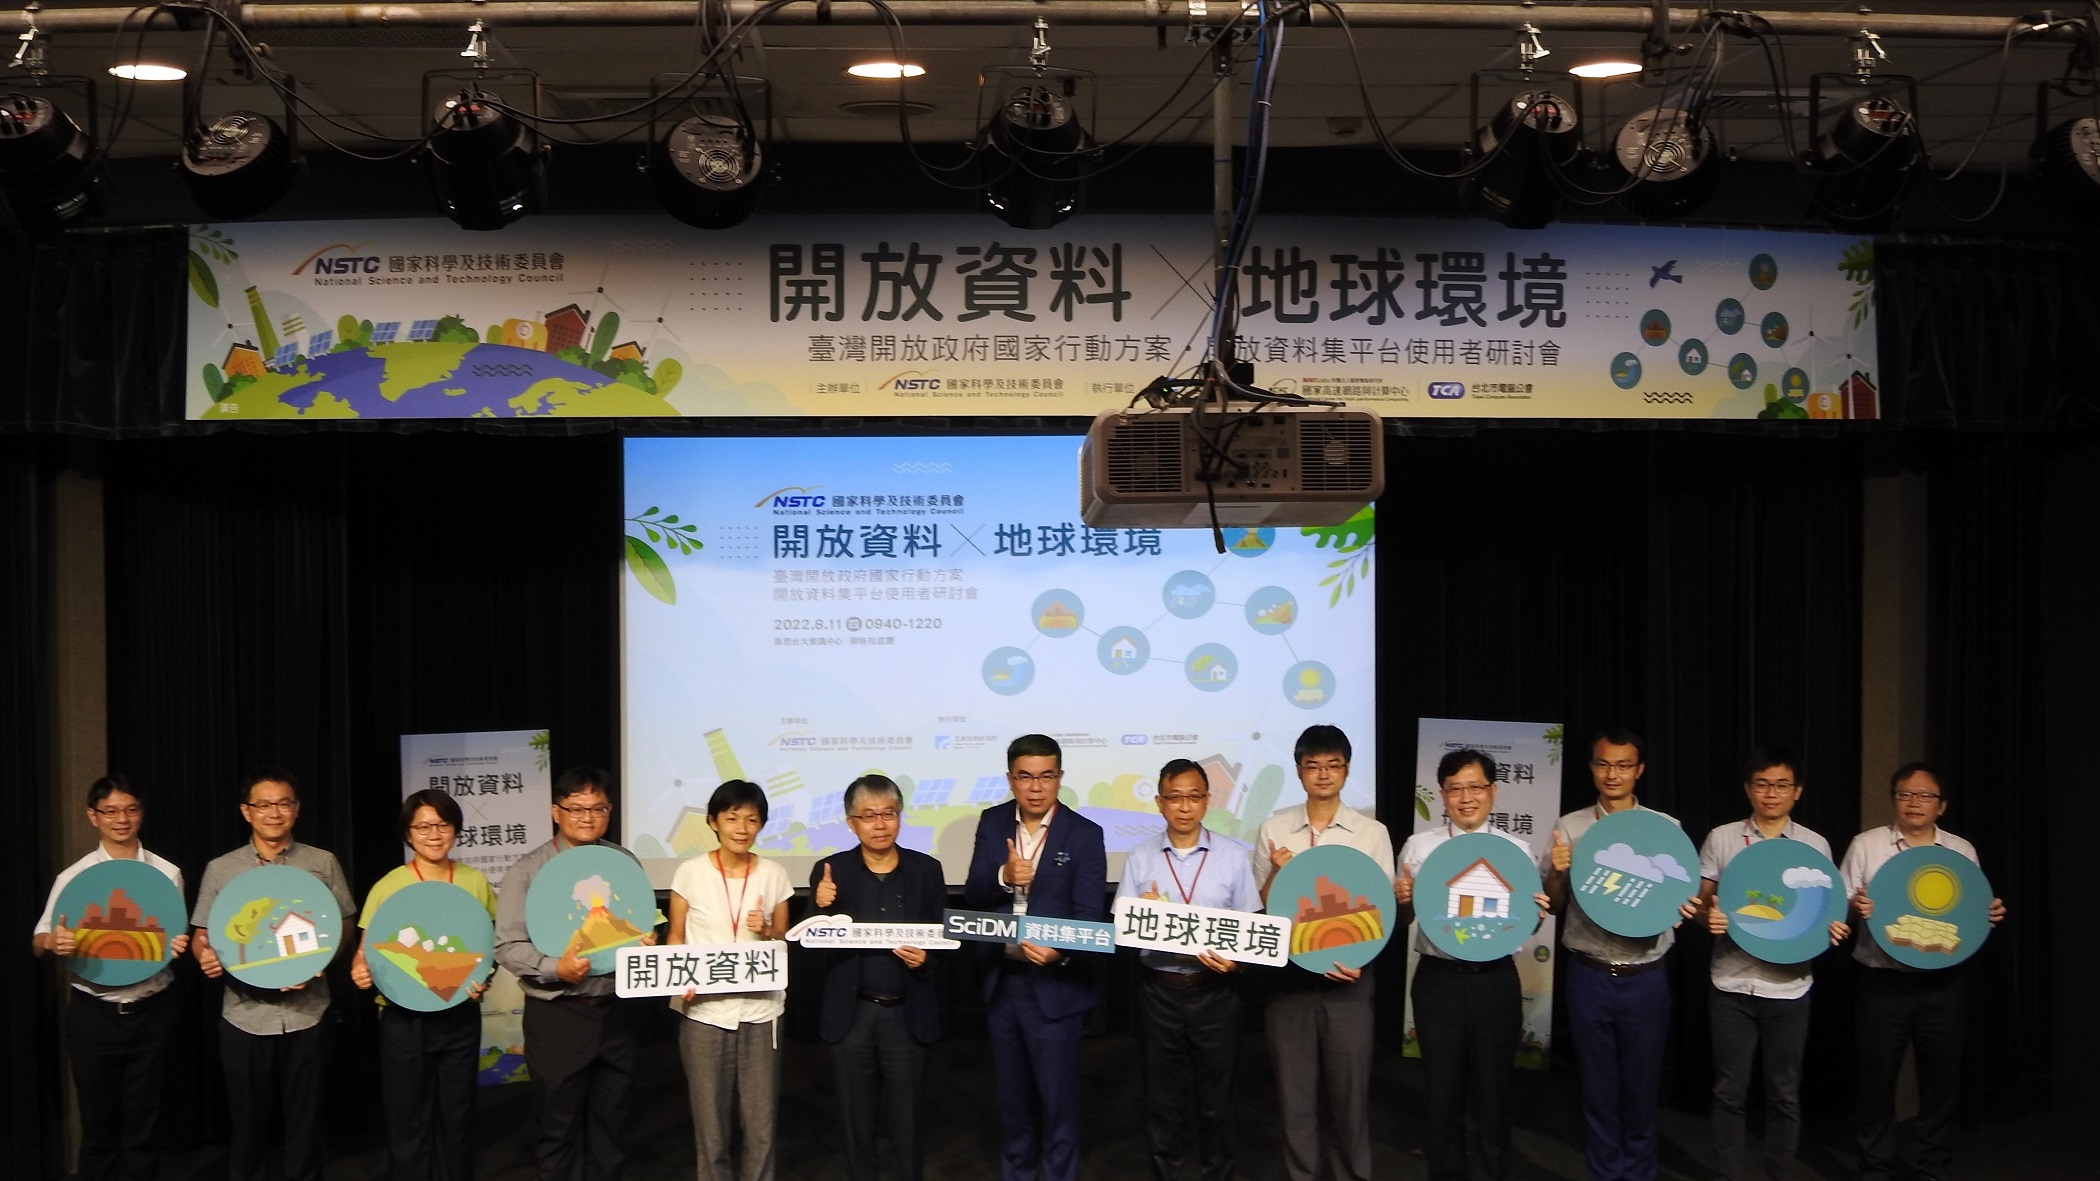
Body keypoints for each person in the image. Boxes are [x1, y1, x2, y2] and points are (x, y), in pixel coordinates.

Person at [1540, 728, 1698, 1181]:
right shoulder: (1569, 827)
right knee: (1597, 1091)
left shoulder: (1665, 829)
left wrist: (1685, 906)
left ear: (1639, 770)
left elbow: (1681, 900)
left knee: (1642, 1091)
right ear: (1591, 768)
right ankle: (1605, 1173)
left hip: (1646, 976)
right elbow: (1555, 903)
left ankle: (1642, 1173)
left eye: (1623, 765)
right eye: (1603, 764)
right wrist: (1555, 872)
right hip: (1589, 975)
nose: (1613, 774)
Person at [190, 766, 358, 1181]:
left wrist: (318, 962)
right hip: (244, 1016)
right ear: (246, 812)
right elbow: (201, 934)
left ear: (296, 810)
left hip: (308, 1013)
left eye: (284, 803)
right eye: (264, 805)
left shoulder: (322, 862)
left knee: (305, 1124)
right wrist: (203, 955)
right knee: (247, 1127)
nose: (274, 813)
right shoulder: (222, 869)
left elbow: (346, 926)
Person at [1839, 763, 2006, 1181]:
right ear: (1894, 799)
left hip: (1942, 985)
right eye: (1904, 794)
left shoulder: (1961, 852)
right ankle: (1875, 1166)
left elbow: (1968, 915)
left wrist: (1988, 914)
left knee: (1941, 1080)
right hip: (1881, 983)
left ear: (1942, 805)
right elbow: (1837, 908)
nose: (1913, 802)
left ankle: (1934, 1166)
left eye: (1924, 795)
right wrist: (1855, 910)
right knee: (1875, 1080)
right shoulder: (1866, 845)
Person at [1394, 750, 1550, 1181]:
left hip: (1495, 980)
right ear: (1442, 794)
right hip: (1438, 981)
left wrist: (1536, 912)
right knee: (1441, 1093)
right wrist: (1401, 901)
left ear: (1493, 791)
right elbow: (1404, 920)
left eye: (1476, 787)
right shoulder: (1419, 846)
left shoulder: (1515, 851)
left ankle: (1490, 1172)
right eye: (1455, 788)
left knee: (1494, 1092)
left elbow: (1526, 922)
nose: (1466, 798)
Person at [1693, 747, 1847, 1181]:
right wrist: (1708, 917)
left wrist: (1832, 929)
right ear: (1748, 789)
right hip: (1730, 983)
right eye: (1761, 784)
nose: (1770, 793)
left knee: (1784, 1094)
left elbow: (1825, 911)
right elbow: (1698, 904)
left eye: (1781, 785)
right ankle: (1728, 1174)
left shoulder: (1814, 844)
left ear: (1797, 792)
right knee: (1728, 1092)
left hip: (1790, 986)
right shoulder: (1722, 837)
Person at [495, 766, 654, 1181]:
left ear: (609, 811)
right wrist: (555, 968)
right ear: (556, 811)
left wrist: (645, 944)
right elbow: (507, 946)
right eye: (576, 808)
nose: (587, 817)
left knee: (612, 1124)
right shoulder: (529, 870)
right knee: (557, 1126)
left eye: (597, 808)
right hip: (558, 1015)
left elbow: (639, 923)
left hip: (615, 1011)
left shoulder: (623, 862)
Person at [1250, 724, 1394, 1181]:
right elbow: (1261, 908)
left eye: (1333, 765)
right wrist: (1276, 872)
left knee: (1350, 1101)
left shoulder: (1371, 832)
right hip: (1289, 985)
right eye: (1313, 765)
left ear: (1347, 771)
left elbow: (1381, 908)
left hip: (1348, 983)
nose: (1323, 774)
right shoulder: (1273, 829)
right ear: (1299, 771)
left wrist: (1360, 960)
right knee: (1295, 1103)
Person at [32, 774, 190, 1181]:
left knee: (147, 1118)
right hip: (93, 1013)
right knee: (98, 1121)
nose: (122, 819)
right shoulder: (75, 877)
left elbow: (171, 933)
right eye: (111, 811)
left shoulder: (167, 873)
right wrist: (55, 942)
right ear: (93, 816)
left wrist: (178, 946)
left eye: (131, 809)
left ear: (142, 813)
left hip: (153, 1010)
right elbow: (38, 938)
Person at [964, 734, 1108, 1181]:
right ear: (1011, 780)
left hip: (1055, 987)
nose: (1036, 786)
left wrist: (1060, 955)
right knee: (1013, 1104)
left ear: (1060, 778)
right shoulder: (991, 824)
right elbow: (973, 895)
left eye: (1046, 776)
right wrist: (1004, 876)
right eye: (1025, 776)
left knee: (1058, 1104)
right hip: (1003, 984)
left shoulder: (1084, 835)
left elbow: (1088, 917)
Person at [1116, 758, 1262, 1181]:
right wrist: (1146, 918)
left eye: (1194, 796)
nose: (1184, 806)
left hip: (1216, 992)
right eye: (1175, 797)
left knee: (1218, 1099)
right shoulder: (1141, 858)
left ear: (1207, 801)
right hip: (1159, 992)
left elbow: (1251, 930)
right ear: (1160, 803)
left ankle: (1218, 1173)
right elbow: (1124, 933)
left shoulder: (1234, 858)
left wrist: (1237, 961)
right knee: (1162, 1101)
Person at [349, 788, 498, 1181]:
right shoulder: (388, 885)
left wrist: (485, 977)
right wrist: (360, 970)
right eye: (424, 826)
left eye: (443, 825)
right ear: (408, 834)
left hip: (459, 1015)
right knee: (407, 1120)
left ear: (455, 830)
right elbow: (365, 954)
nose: (434, 834)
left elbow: (489, 945)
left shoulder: (475, 882)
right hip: (403, 1019)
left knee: (458, 1116)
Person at [810, 774, 947, 1181]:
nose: (880, 824)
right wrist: (819, 909)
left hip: (906, 1015)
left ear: (900, 817)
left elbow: (949, 940)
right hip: (852, 1015)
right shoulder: (831, 871)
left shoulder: (927, 870)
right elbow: (807, 943)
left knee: (909, 1125)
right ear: (851, 823)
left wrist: (927, 959)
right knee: (855, 1125)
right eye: (869, 816)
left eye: (889, 813)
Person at [669, 779, 792, 1181]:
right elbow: (675, 937)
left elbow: (783, 940)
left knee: (761, 1127)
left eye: (751, 819)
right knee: (711, 1129)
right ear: (713, 821)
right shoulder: (690, 872)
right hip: (705, 1011)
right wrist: (677, 979)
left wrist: (769, 929)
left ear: (762, 825)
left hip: (761, 1011)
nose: (741, 827)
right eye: (732, 817)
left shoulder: (774, 874)